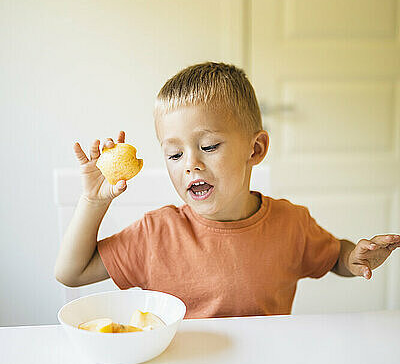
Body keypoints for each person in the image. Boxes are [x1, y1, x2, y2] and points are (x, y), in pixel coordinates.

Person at [54, 62, 400, 318]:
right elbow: (72, 272)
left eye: (208, 146)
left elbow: (332, 255)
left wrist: (353, 257)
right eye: (174, 154)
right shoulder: (156, 233)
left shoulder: (291, 223)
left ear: (256, 149)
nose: (190, 164)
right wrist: (93, 201)